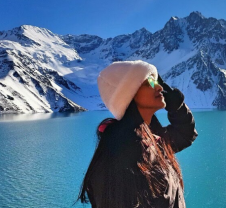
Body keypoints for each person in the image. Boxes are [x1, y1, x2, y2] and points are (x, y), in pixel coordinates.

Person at [76, 60, 198, 208]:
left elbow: (185, 133)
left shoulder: (150, 138)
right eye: (150, 83)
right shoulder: (124, 151)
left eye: (156, 82)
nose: (160, 87)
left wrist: (176, 106)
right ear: (128, 94)